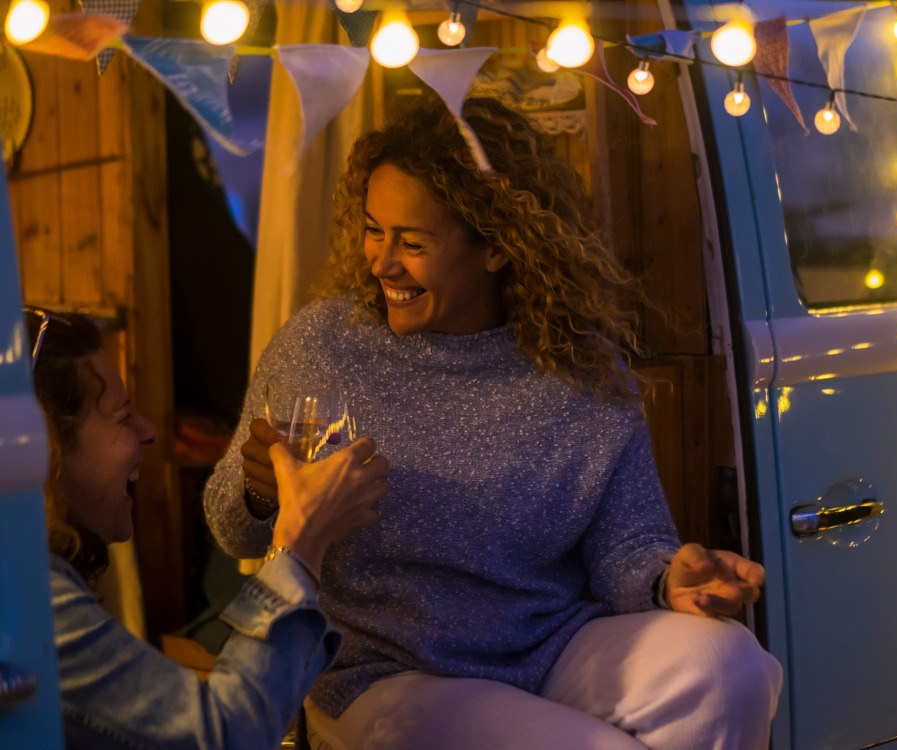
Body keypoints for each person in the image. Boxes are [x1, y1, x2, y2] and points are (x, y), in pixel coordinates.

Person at [204, 94, 782, 750]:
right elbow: (232, 530)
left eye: (412, 242)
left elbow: (628, 546)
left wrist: (667, 578)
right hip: (384, 676)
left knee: (731, 665)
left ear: (499, 248)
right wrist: (259, 492)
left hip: (549, 646)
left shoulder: (581, 368)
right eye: (373, 229)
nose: (381, 261)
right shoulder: (322, 344)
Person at [25, 306, 390, 749]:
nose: (148, 430)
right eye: (121, 416)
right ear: (42, 449)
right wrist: (301, 538)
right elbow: (226, 735)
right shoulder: (32, 602)